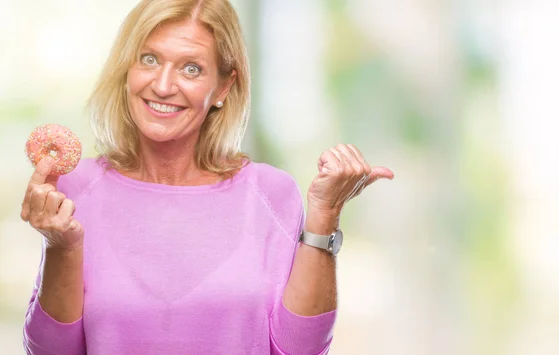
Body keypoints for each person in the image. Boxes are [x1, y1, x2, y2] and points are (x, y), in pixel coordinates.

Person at [20, 0, 394, 354]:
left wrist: (326, 212)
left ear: (223, 87)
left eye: (191, 68)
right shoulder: (75, 189)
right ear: (127, 68)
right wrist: (61, 247)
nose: (163, 85)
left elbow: (302, 350)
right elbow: (51, 351)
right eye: (149, 59)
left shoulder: (270, 193)